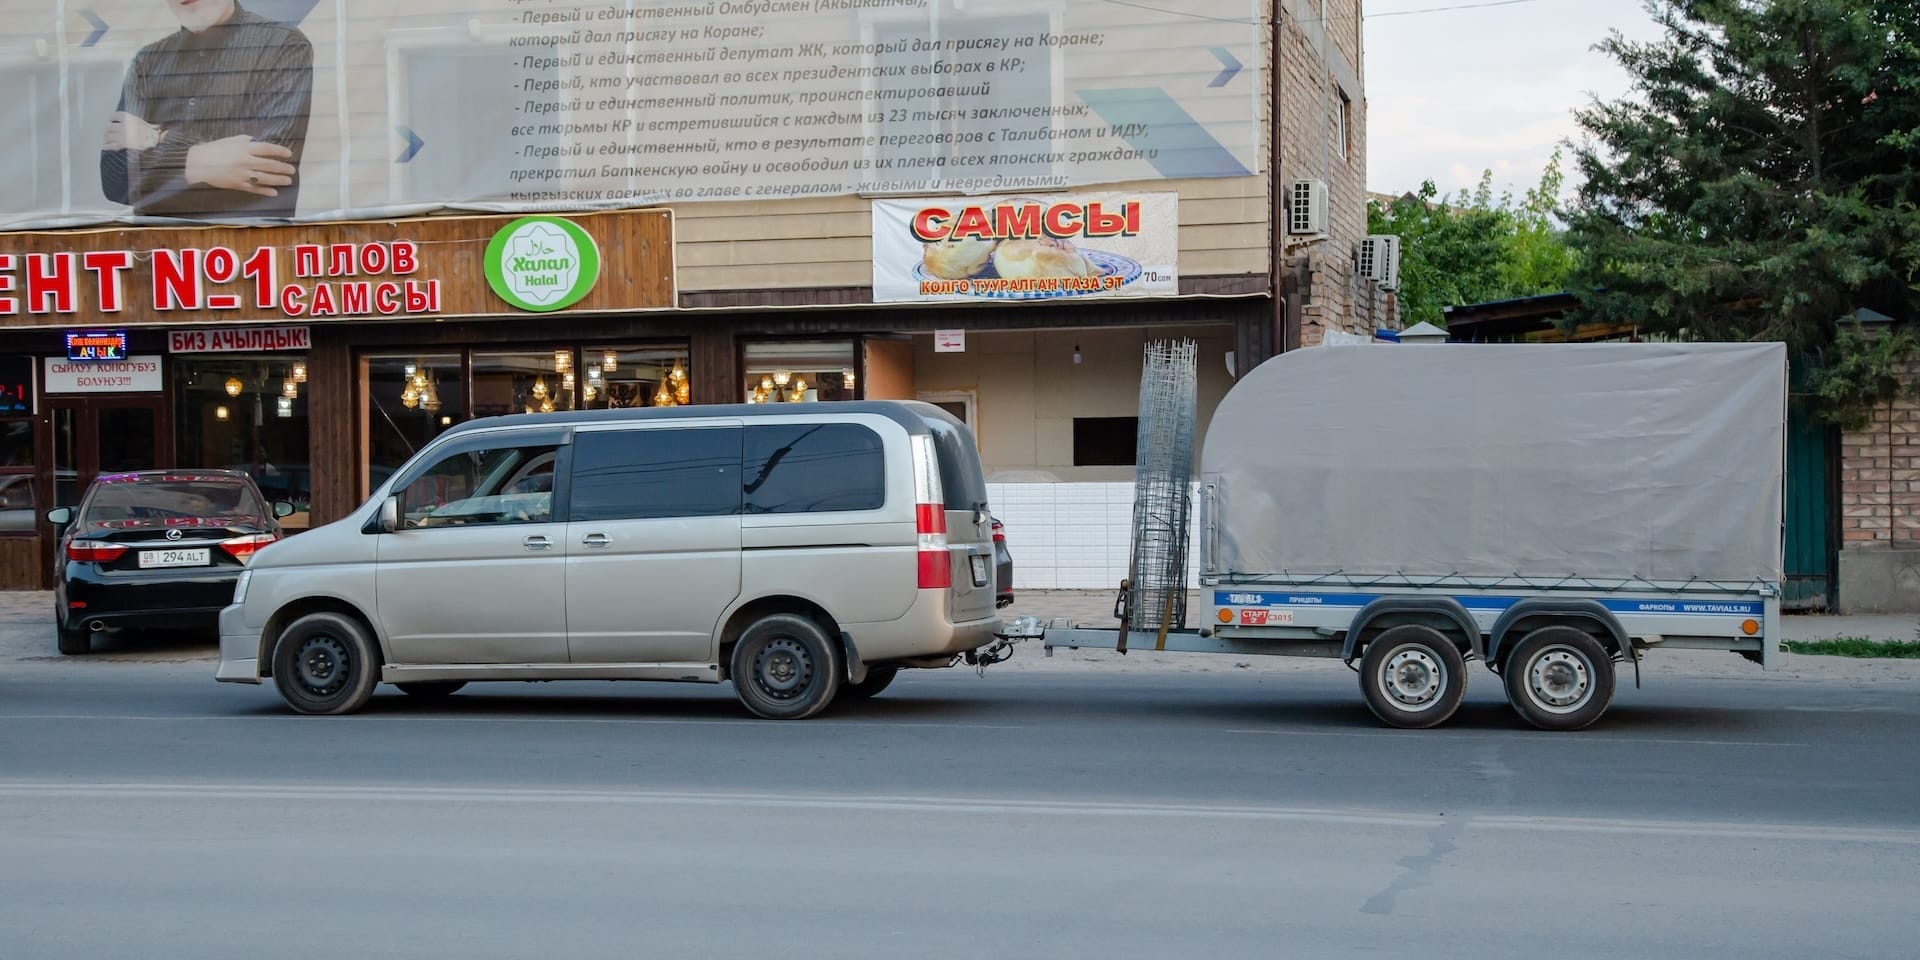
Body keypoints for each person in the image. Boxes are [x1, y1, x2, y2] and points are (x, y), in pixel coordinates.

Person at [100, 0, 314, 219]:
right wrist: (201, 160)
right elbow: (116, 179)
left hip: (246, 245)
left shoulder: (282, 44)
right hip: (159, 247)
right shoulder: (147, 62)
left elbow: (269, 168)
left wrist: (158, 137)